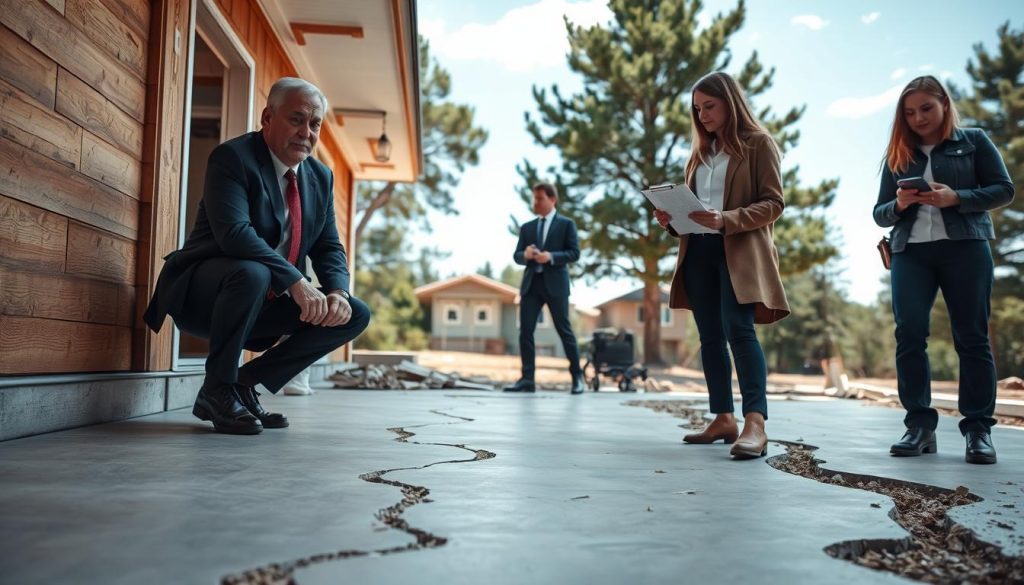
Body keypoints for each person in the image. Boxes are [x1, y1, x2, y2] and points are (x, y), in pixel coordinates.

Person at [144, 77, 371, 435]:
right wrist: (296, 282)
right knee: (254, 272)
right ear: (267, 118)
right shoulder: (233, 158)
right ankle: (217, 386)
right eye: (296, 119)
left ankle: (240, 385)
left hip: (263, 301)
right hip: (204, 296)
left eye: (314, 124)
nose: (306, 132)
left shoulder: (320, 177)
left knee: (354, 314)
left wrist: (337, 293)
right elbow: (234, 235)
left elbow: (328, 246)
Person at [873, 75, 1014, 464]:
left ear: (944, 105)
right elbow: (879, 213)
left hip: (966, 249)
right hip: (910, 254)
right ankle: (919, 425)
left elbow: (1004, 189)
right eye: (910, 112)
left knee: (972, 336)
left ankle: (978, 431)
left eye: (926, 109)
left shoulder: (974, 141)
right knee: (910, 333)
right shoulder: (898, 154)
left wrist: (958, 198)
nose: (918, 118)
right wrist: (899, 205)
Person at [654, 72, 790, 459]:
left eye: (709, 106)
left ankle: (755, 423)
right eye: (697, 109)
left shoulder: (759, 144)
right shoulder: (698, 153)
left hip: (740, 253)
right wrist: (672, 220)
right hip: (697, 252)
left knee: (739, 331)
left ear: (731, 102)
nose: (702, 115)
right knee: (710, 338)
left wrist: (726, 219)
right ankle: (723, 418)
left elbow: (774, 203)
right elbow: (694, 210)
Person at [503, 183, 586, 395]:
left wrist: (551, 257)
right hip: (531, 285)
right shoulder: (527, 227)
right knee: (526, 332)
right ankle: (527, 379)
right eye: (534, 198)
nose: (535, 202)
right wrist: (526, 255)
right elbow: (516, 255)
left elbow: (574, 253)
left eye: (539, 198)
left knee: (564, 330)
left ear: (552, 199)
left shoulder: (567, 224)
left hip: (556, 284)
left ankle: (577, 377)